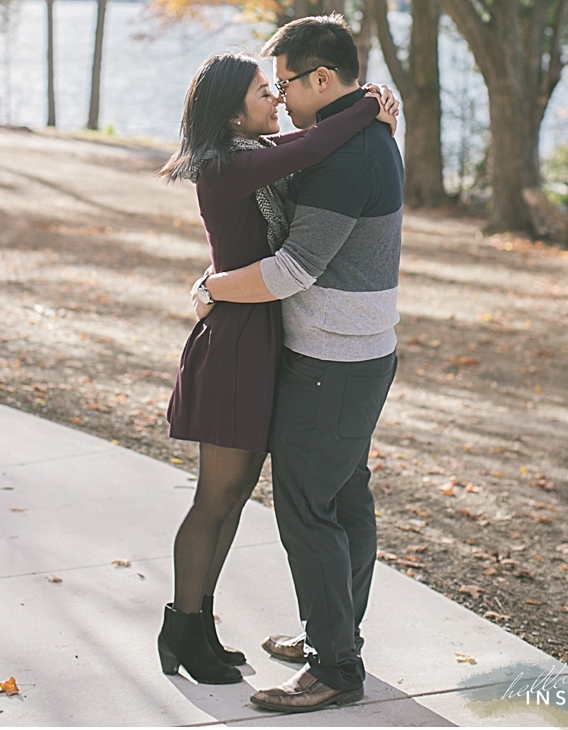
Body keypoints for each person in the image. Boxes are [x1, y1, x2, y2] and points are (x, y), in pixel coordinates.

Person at [157, 50, 398, 685]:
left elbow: (313, 146)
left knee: (233, 498)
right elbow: (311, 145)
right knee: (219, 495)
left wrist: (367, 114)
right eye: (265, 93)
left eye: (277, 88)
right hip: (236, 343)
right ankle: (182, 625)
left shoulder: (248, 154)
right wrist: (369, 105)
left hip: (259, 336)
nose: (276, 101)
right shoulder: (229, 164)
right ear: (234, 111)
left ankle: (197, 625)